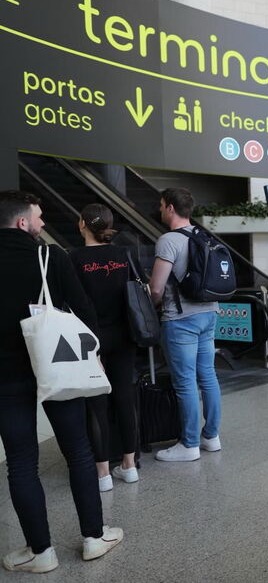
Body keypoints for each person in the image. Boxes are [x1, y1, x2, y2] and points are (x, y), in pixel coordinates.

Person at [0, 191, 123, 573]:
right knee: (79, 452)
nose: (41, 224)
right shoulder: (50, 256)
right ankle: (93, 537)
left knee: (20, 464)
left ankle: (41, 553)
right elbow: (82, 307)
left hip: (4, 375)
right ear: (22, 222)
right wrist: (95, 351)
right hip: (57, 365)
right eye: (37, 218)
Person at [69, 204, 140, 491]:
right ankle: (129, 465)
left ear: (83, 223)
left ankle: (102, 474)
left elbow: (70, 301)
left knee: (96, 402)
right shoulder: (124, 254)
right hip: (124, 334)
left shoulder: (73, 258)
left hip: (90, 338)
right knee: (125, 397)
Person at [148, 188, 222, 462]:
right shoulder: (202, 236)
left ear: (169, 207)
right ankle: (211, 436)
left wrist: (151, 304)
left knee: (185, 383)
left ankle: (189, 444)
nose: (159, 209)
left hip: (181, 320)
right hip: (209, 314)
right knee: (208, 376)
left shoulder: (168, 240)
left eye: (161, 205)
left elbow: (156, 288)